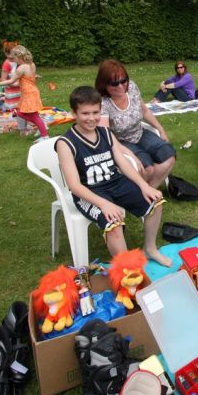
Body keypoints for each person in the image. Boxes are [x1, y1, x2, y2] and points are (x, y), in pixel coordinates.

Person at [55, 86, 171, 267]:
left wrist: (144, 186)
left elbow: (123, 163)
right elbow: (74, 186)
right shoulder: (66, 143)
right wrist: (104, 204)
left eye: (95, 112)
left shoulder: (106, 133)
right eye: (85, 113)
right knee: (113, 222)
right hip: (89, 192)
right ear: (74, 113)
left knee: (155, 201)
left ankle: (150, 248)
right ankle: (126, 269)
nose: (91, 118)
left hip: (115, 182)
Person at [96, 59, 175, 189]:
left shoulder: (131, 87)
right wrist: (130, 154)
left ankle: (149, 191)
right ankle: (144, 193)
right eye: (114, 83)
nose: (120, 86)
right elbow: (106, 134)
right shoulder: (102, 102)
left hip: (139, 132)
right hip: (119, 140)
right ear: (104, 84)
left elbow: (144, 111)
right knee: (147, 168)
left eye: (123, 80)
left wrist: (160, 129)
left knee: (168, 155)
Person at [0, 45, 49, 142]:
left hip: (28, 93)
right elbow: (29, 78)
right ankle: (41, 126)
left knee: (29, 115)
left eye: (14, 58)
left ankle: (44, 135)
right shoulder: (32, 64)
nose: (13, 60)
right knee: (22, 112)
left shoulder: (21, 68)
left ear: (19, 56)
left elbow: (11, 81)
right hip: (31, 91)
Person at [1, 40, 28, 135]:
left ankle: (23, 127)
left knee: (24, 108)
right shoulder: (7, 63)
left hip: (22, 89)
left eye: (12, 53)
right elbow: (3, 79)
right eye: (8, 53)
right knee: (19, 110)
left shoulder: (19, 62)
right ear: (5, 53)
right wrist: (15, 84)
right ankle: (22, 130)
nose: (10, 56)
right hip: (13, 91)